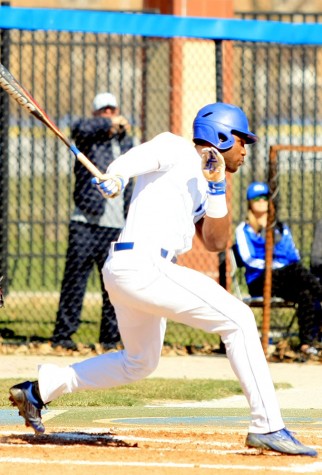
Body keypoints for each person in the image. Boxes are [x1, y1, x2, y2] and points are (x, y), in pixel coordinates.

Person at [9, 103, 317, 456]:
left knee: (140, 362)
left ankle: (39, 390)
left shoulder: (206, 181)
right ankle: (268, 425)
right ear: (220, 135)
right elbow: (135, 159)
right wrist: (116, 176)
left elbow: (217, 243)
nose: (245, 150)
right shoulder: (175, 147)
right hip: (142, 263)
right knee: (240, 319)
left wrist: (216, 189)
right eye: (241, 140)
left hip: (135, 271)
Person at [51, 92, 134, 351]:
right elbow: (77, 127)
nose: (109, 114)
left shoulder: (127, 143)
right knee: (75, 281)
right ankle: (63, 336)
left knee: (114, 284)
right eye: (104, 111)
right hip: (85, 222)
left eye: (113, 110)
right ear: (97, 114)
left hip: (115, 226)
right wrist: (107, 125)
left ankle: (110, 339)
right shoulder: (87, 138)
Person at [235, 181, 322, 356]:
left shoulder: (281, 228)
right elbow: (248, 259)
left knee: (305, 293)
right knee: (296, 271)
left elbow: (293, 254)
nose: (261, 201)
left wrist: (275, 238)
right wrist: (273, 265)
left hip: (285, 277)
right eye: (256, 198)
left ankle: (306, 344)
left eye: (265, 198)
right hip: (259, 279)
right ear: (249, 202)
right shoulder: (244, 230)